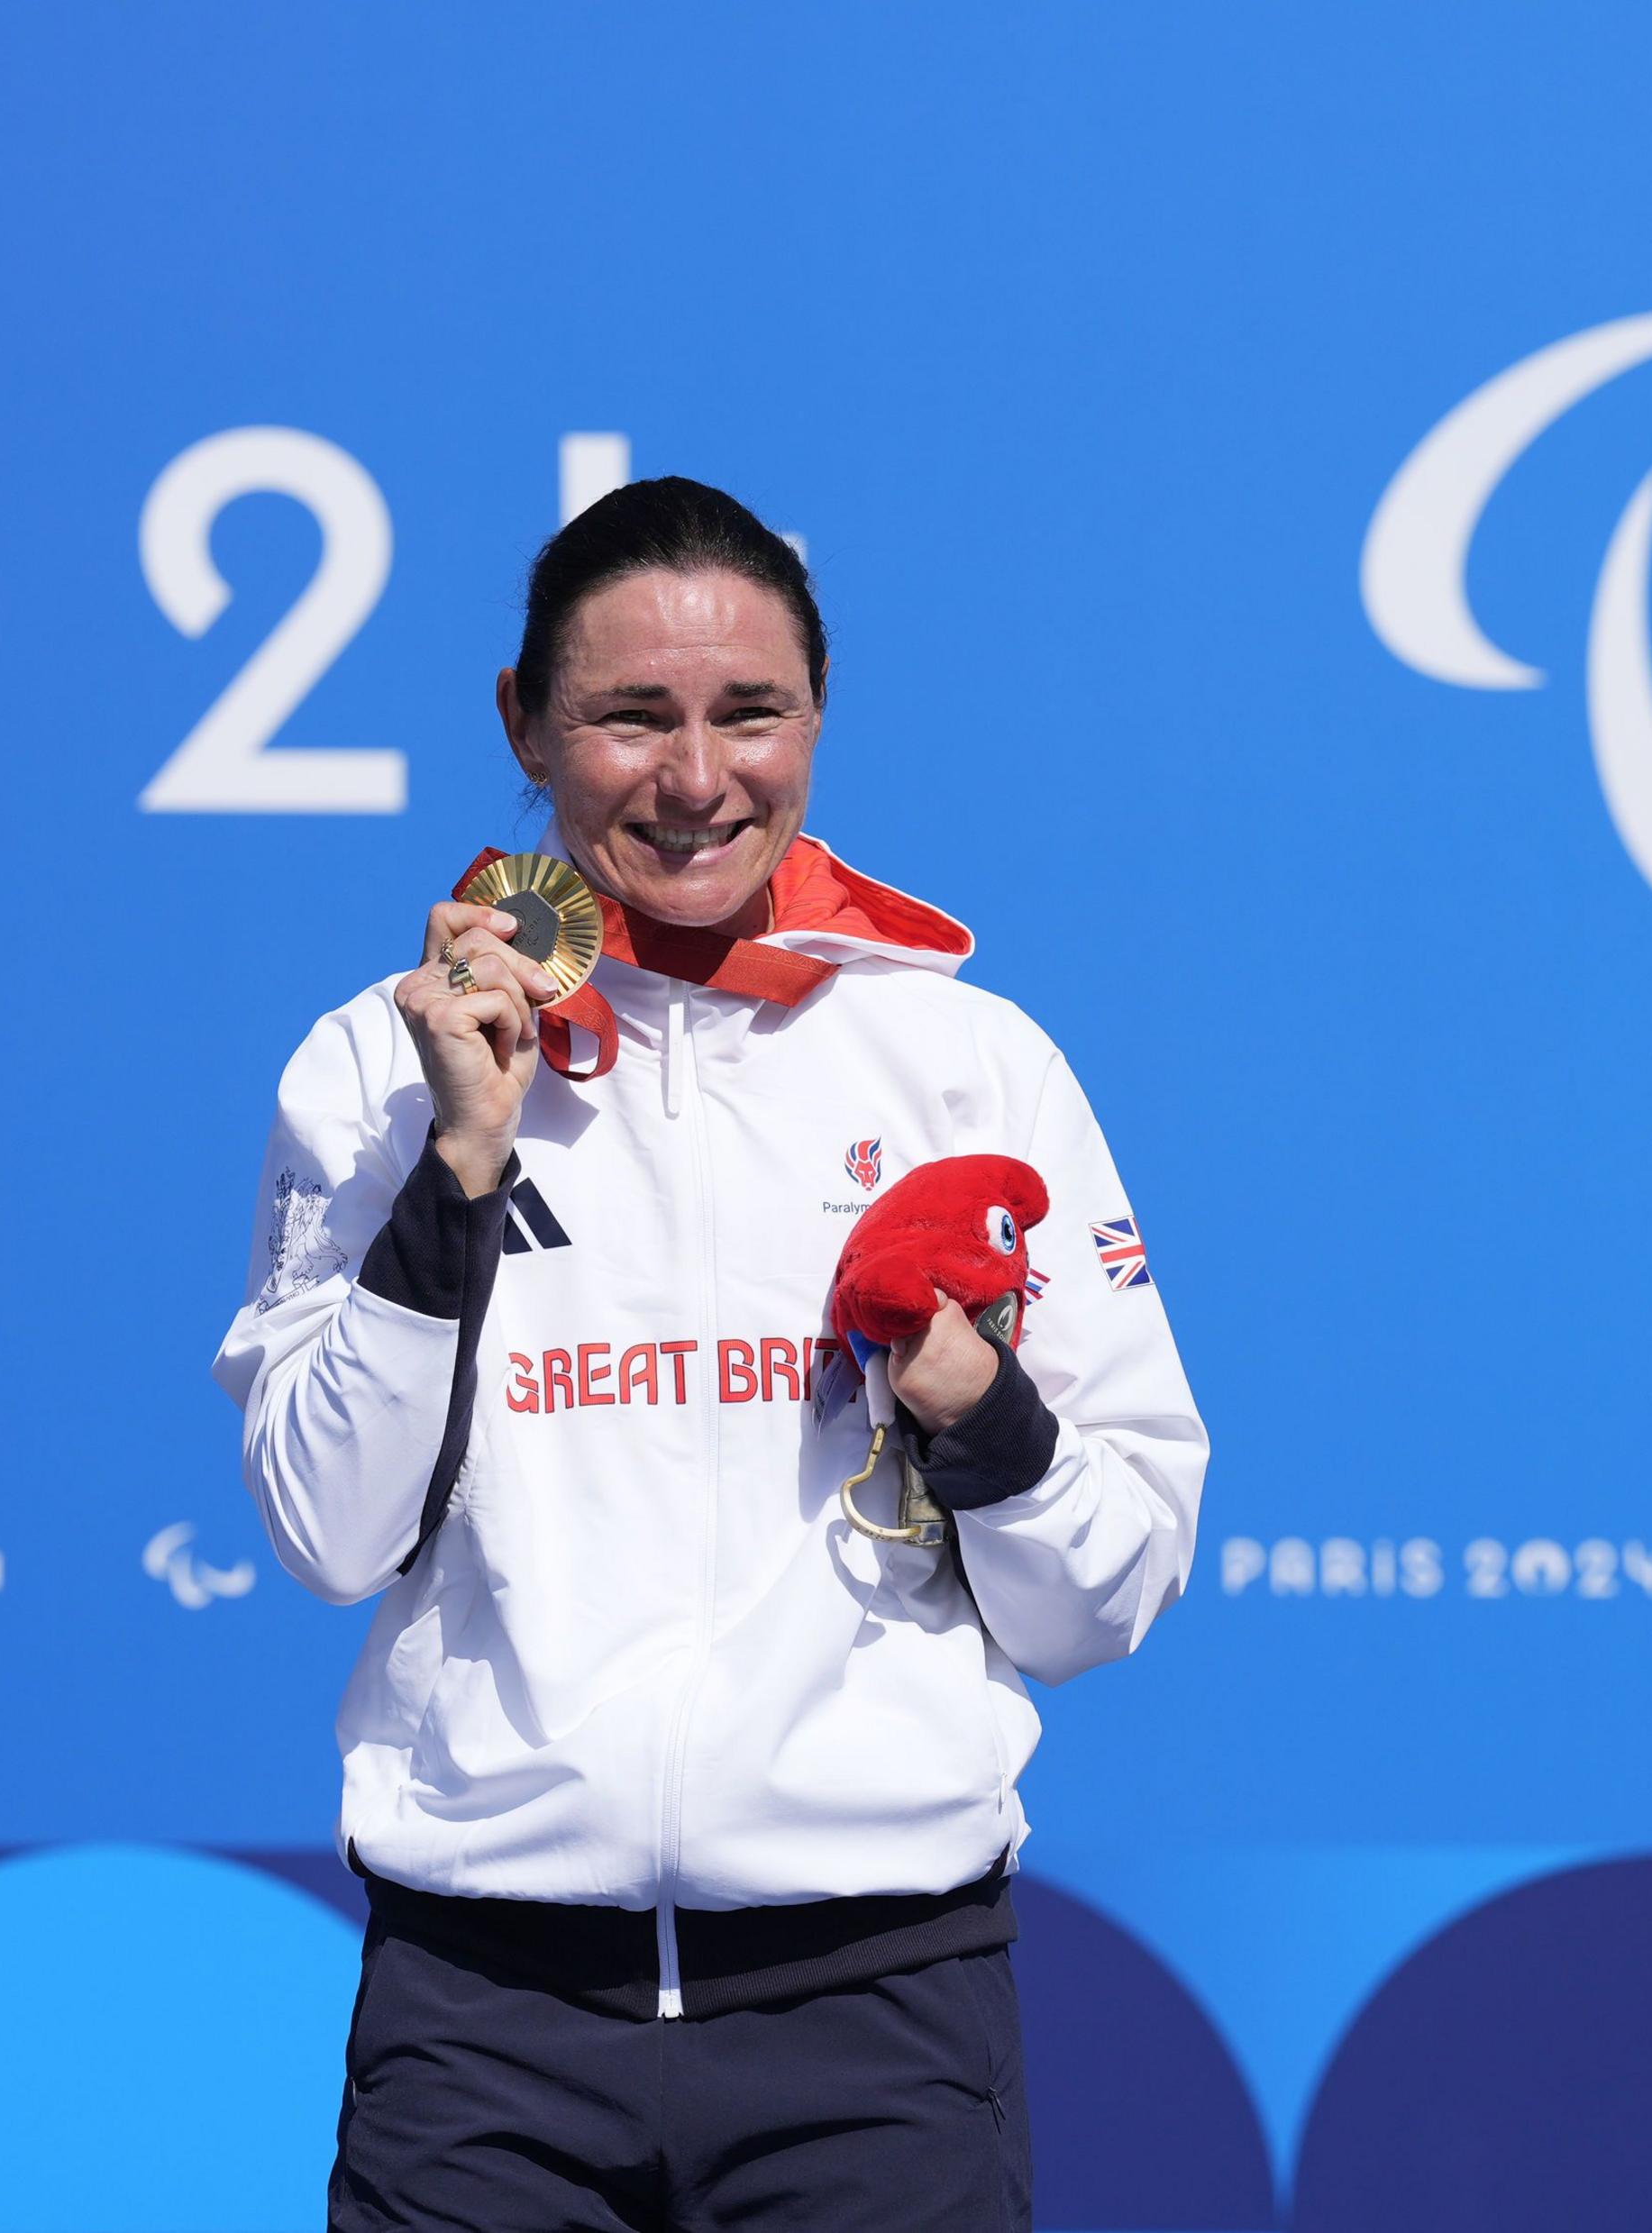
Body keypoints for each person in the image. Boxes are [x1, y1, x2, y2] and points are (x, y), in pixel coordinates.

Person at [216, 478, 1207, 2231]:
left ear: (817, 719)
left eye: (750, 714)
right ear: (522, 723)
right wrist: (455, 1171)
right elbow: (324, 1531)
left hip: (878, 2016)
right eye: (628, 718)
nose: (695, 781)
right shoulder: (373, 1073)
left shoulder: (970, 1069)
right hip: (482, 2023)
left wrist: (977, 1407)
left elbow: (1100, 1601)